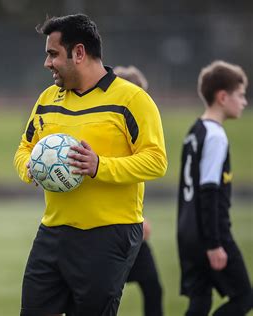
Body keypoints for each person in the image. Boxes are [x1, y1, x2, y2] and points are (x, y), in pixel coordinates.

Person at [13, 14, 167, 316]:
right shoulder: (47, 99)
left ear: (79, 53)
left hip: (109, 235)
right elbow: (25, 147)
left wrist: (99, 166)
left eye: (53, 53)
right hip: (53, 231)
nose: (47, 63)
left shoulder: (132, 99)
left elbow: (156, 161)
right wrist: (28, 166)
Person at [177, 60, 252, 316]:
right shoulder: (216, 135)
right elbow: (209, 191)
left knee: (200, 303)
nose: (244, 102)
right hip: (209, 234)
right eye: (240, 95)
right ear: (222, 97)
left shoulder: (194, 131)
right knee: (243, 298)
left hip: (187, 232)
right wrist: (214, 243)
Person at [113, 65, 164, 316]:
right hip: (113, 231)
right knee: (105, 295)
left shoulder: (136, 137)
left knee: (153, 288)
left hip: (133, 228)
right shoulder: (111, 135)